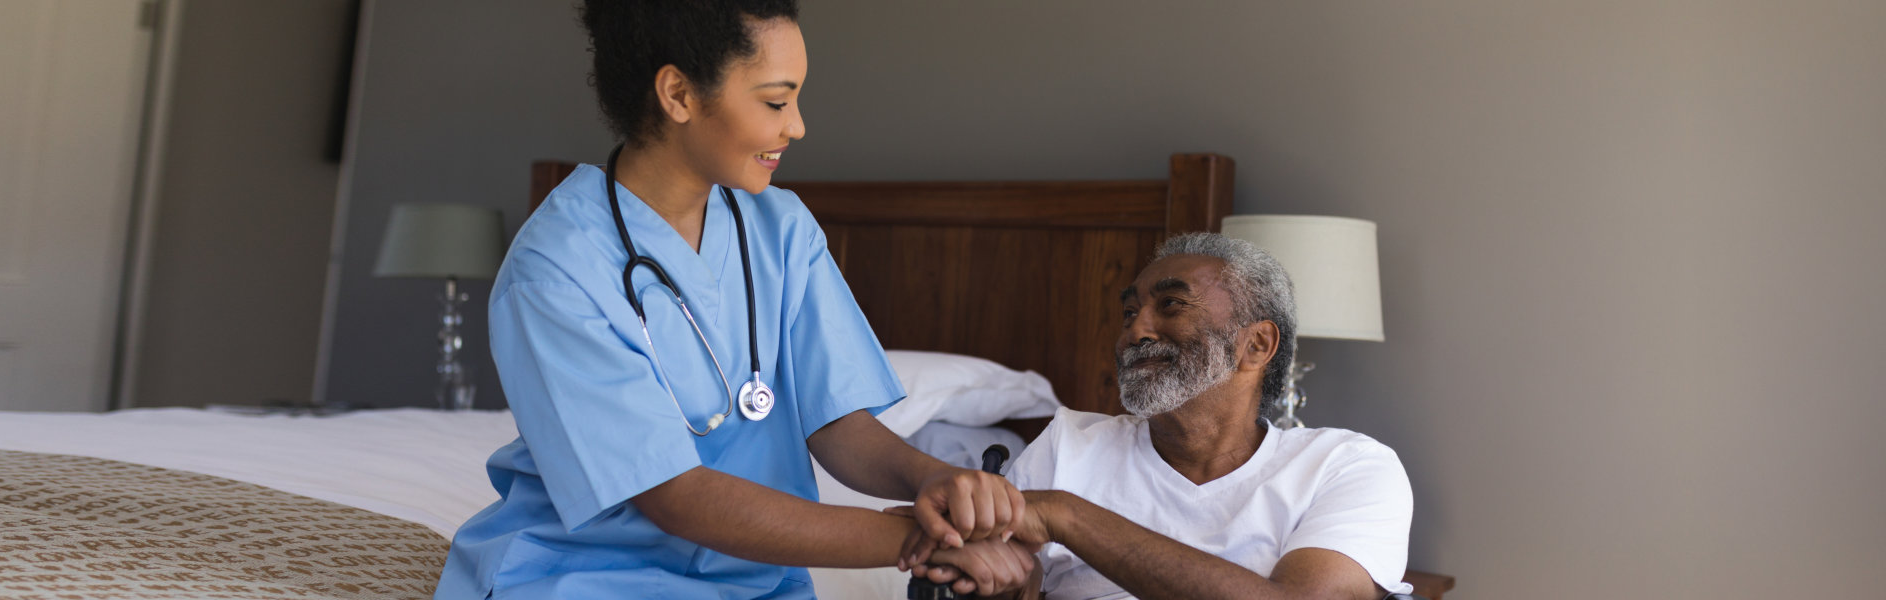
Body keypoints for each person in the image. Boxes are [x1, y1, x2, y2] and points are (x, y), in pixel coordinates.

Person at [433, 2, 1030, 598]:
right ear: (679, 94)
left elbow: (838, 424)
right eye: (775, 101)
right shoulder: (556, 267)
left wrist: (939, 485)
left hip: (755, 582)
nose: (796, 126)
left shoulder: (781, 227)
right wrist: (918, 542)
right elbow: (677, 495)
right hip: (586, 576)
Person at [900, 233, 1414, 600]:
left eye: (1171, 305)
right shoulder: (1069, 445)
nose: (1136, 331)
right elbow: (1016, 583)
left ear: (1256, 344)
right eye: (1129, 313)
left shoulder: (1347, 466)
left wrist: (1066, 515)